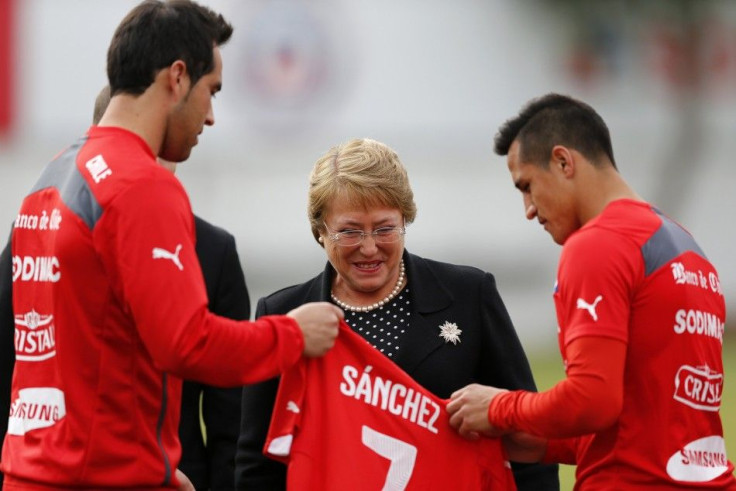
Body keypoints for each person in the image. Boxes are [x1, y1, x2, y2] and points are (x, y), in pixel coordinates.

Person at [1, 1, 342, 489]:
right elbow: (188, 343)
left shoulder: (51, 174)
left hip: (33, 472)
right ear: (177, 77)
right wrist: (292, 334)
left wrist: (155, 467)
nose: (210, 117)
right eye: (212, 92)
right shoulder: (141, 184)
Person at [446, 93, 736, 489]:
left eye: (527, 186)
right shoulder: (687, 249)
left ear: (564, 162)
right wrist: (547, 444)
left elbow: (593, 398)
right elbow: (654, 421)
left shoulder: (597, 244)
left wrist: (498, 407)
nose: (528, 208)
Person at [234, 138, 559, 490]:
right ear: (320, 232)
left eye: (385, 228)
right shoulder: (283, 315)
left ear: (406, 218)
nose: (369, 247)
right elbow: (258, 465)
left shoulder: (469, 295)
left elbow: (527, 431)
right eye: (349, 231)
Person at [93, 85, 248, 490]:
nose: (149, 164)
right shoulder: (54, 228)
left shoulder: (213, 251)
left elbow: (231, 420)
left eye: (160, 150)